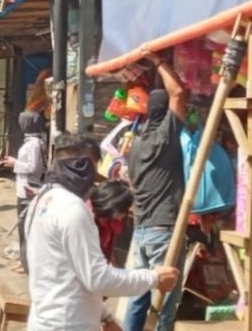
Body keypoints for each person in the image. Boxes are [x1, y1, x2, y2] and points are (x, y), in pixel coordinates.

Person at [25, 134, 179, 331]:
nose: (93, 179)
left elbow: (71, 274)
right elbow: (97, 279)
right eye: (93, 168)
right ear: (82, 166)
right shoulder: (72, 209)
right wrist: (153, 278)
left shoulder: (42, 200)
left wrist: (105, 316)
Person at [123, 54, 188, 331]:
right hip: (163, 232)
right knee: (165, 304)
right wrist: (159, 61)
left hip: (141, 231)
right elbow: (178, 93)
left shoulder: (136, 144)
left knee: (139, 297)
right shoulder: (166, 137)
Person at [2, 110, 46, 272]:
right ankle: (23, 261)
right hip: (24, 189)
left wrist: (15, 163)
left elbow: (33, 167)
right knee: (23, 230)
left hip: (28, 190)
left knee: (26, 230)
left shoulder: (34, 144)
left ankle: (28, 265)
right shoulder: (35, 142)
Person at [87, 181, 134, 266]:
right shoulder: (86, 218)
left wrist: (113, 265)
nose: (124, 215)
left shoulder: (113, 222)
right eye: (124, 210)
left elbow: (109, 248)